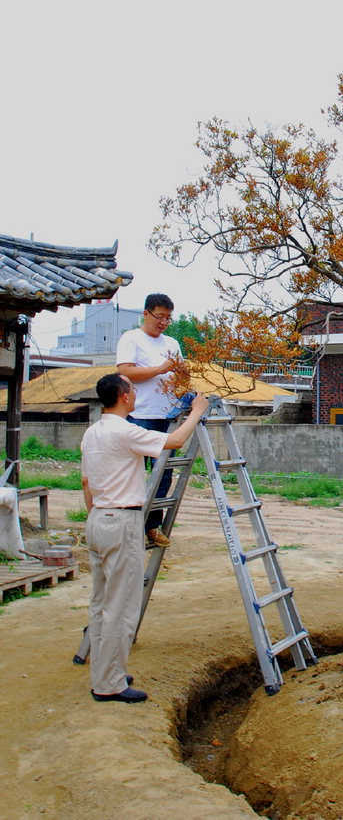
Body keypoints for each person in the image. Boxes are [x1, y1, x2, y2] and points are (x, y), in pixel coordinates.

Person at [81, 373, 208, 703]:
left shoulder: (93, 433)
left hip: (97, 519)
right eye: (133, 390)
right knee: (121, 606)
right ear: (124, 397)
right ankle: (110, 684)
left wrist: (98, 517)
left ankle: (106, 672)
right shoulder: (124, 431)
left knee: (100, 603)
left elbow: (85, 483)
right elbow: (175, 441)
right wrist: (196, 410)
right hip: (121, 519)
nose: (136, 395)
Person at [116, 293, 181, 547]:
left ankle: (151, 527)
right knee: (132, 475)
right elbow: (125, 372)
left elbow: (179, 373)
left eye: (168, 318)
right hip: (139, 416)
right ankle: (128, 527)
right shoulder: (131, 338)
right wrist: (159, 370)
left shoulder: (172, 343)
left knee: (163, 476)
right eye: (159, 316)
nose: (164, 322)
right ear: (146, 314)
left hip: (167, 417)